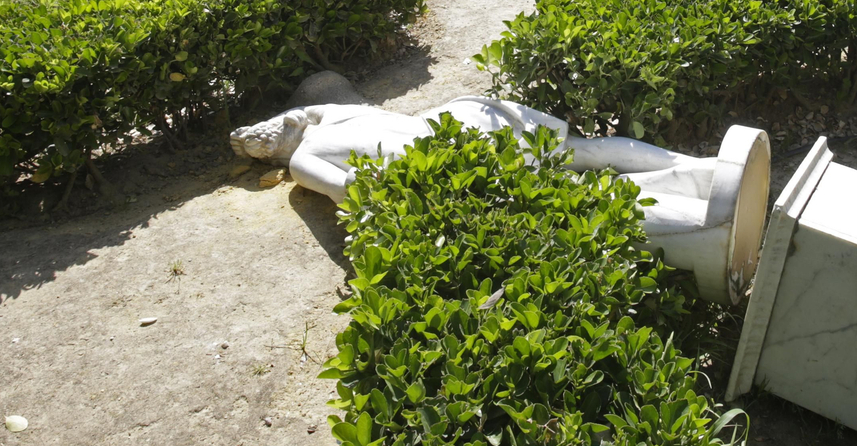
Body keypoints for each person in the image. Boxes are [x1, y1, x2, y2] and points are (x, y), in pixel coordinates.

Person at [229, 92, 771, 306]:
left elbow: (352, 190)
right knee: (582, 161)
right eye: (275, 129)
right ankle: (704, 181)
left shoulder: (312, 143)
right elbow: (347, 177)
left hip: (450, 153)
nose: (283, 124)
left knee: (576, 187)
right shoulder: (329, 124)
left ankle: (703, 209)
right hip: (458, 125)